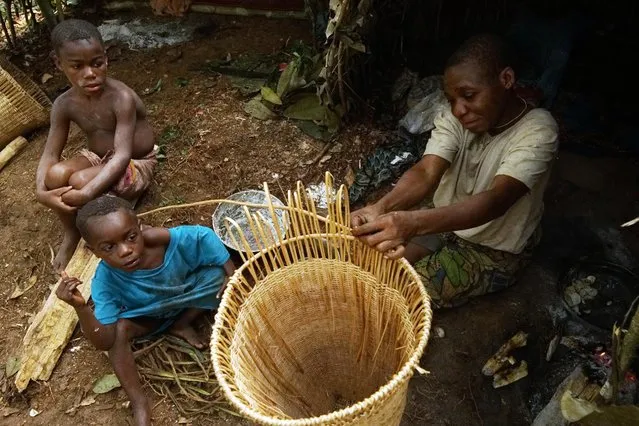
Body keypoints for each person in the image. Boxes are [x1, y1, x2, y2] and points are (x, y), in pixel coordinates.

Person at [351, 34, 558, 308]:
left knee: (392, 297)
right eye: (451, 99)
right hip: (443, 219)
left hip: (492, 248)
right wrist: (381, 206)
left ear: (506, 80)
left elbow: (496, 200)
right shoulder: (456, 117)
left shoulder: (538, 130)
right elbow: (426, 172)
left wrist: (412, 222)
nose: (459, 109)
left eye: (469, 95)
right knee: (368, 264)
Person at [55, 195, 236, 426]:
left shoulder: (159, 240)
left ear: (140, 228)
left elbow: (204, 235)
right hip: (148, 317)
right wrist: (81, 308)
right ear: (93, 252)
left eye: (131, 238)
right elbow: (105, 341)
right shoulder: (104, 281)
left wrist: (231, 271)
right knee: (119, 332)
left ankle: (181, 323)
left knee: (219, 278)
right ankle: (139, 403)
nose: (125, 251)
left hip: (184, 297)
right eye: (109, 247)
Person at [36, 19, 158, 272]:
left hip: (135, 163)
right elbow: (50, 153)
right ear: (59, 64)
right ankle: (72, 232)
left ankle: (103, 224)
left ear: (106, 58)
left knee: (80, 182)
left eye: (96, 63)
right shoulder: (64, 104)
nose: (89, 73)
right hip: (98, 157)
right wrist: (41, 192)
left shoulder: (120, 97)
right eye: (77, 66)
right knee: (55, 174)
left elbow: (122, 155)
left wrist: (87, 192)